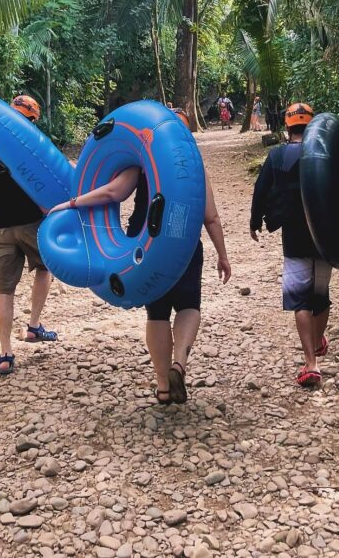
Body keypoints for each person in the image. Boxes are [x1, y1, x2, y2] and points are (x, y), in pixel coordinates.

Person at [49, 108, 231, 404]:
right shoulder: (194, 168)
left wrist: (73, 203)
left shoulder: (143, 164)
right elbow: (211, 217)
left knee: (157, 312)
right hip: (185, 248)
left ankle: (162, 385)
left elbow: (113, 192)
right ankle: (179, 365)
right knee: (189, 305)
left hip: (144, 248)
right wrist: (223, 255)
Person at [249, 102, 339, 387]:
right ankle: (317, 342)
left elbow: (261, 190)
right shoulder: (329, 156)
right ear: (314, 125)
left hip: (294, 237)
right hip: (327, 234)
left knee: (300, 298)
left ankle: (311, 363)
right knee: (319, 294)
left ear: (287, 128)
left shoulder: (276, 155)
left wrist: (254, 221)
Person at [0, 95, 58, 375]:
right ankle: (33, 326)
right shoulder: (35, 149)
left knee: (4, 291)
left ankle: (6, 354)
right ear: (32, 119)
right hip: (31, 225)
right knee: (45, 268)